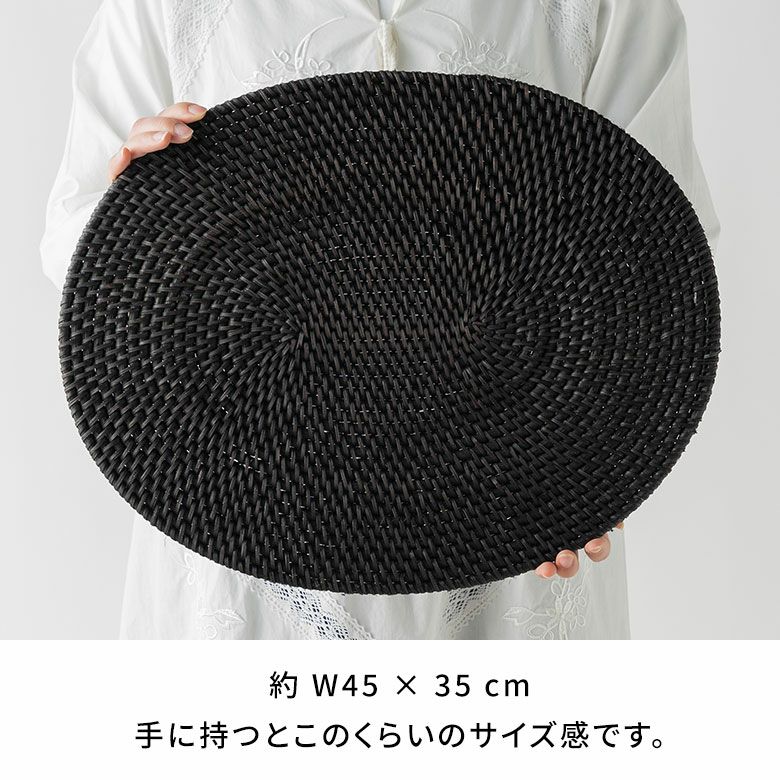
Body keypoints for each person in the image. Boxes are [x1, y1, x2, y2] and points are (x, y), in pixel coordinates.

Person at [41, 0, 719, 639]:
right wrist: (132, 214)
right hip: (245, 511)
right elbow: (73, 241)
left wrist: (614, 455)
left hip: (513, 504)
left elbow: (658, 261)